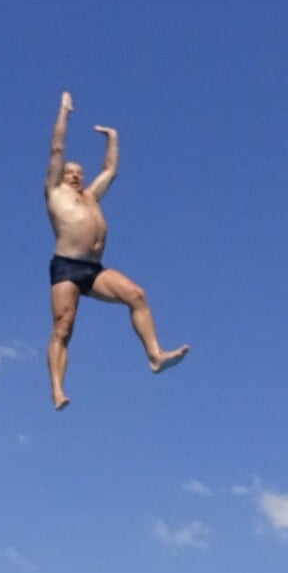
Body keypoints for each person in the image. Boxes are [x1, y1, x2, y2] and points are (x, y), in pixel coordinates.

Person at [43, 91, 189, 411]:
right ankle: (57, 389)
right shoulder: (54, 191)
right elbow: (57, 147)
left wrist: (113, 138)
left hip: (95, 269)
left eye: (80, 172)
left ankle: (154, 355)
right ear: (60, 176)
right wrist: (64, 112)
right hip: (67, 266)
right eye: (72, 172)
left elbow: (110, 170)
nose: (77, 175)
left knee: (136, 295)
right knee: (63, 328)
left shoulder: (91, 196)